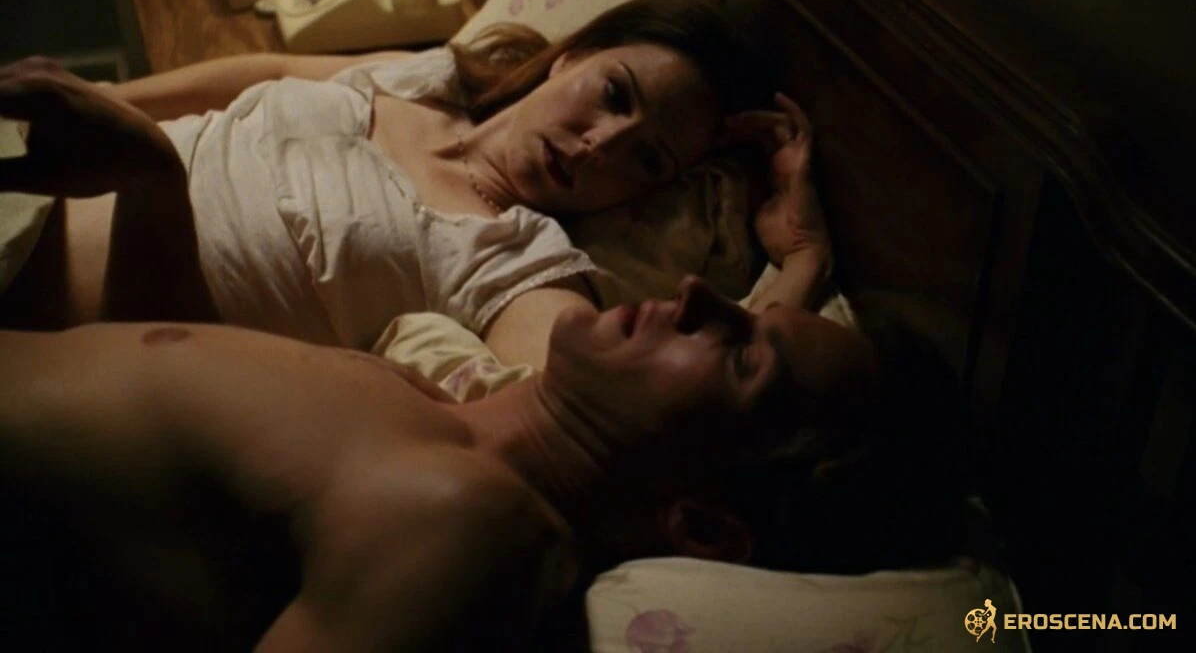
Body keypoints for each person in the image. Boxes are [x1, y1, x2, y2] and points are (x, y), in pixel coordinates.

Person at [0, 275, 970, 651]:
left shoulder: (469, 524)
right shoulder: (432, 418)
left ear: (704, 526)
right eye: (746, 306)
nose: (692, 291)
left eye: (744, 354)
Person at [0, 0, 830, 368]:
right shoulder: (424, 76)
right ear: (572, 55)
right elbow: (263, 70)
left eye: (646, 159)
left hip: (42, 337)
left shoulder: (516, 264)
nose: (601, 146)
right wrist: (95, 98)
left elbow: (650, 401)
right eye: (615, 95)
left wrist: (800, 261)